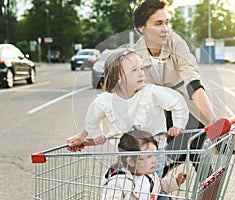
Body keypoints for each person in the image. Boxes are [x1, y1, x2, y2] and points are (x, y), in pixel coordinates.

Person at [132, 0, 235, 172]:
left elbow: (193, 82)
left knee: (190, 149)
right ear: (141, 28)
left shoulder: (176, 43)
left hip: (193, 103)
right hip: (168, 112)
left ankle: (159, 185)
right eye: (158, 24)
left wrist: (214, 123)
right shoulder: (136, 53)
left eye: (167, 22)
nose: (165, 28)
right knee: (179, 154)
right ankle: (156, 186)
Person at [67, 48, 189, 176]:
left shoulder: (151, 93)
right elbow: (92, 118)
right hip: (127, 158)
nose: (141, 74)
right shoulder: (107, 101)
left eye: (141, 68)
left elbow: (177, 102)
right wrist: (95, 135)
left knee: (150, 188)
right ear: (117, 77)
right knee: (128, 188)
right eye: (134, 70)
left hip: (152, 156)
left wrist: (178, 125)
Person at [102, 130, 186, 200]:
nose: (154, 160)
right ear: (131, 162)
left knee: (163, 196)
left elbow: (158, 186)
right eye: (148, 157)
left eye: (155, 155)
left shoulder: (149, 174)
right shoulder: (118, 181)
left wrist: (176, 181)